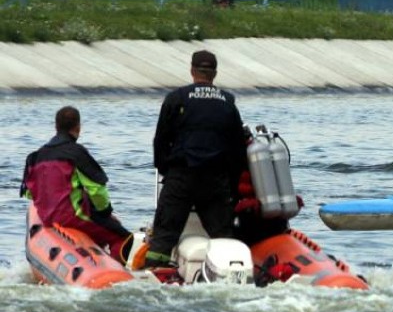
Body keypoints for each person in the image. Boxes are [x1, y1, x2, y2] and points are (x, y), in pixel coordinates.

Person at [145, 50, 247, 268]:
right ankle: (229, 272)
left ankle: (155, 272)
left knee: (164, 236)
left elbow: (161, 141)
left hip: (181, 176)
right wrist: (230, 185)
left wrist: (167, 172)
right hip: (215, 180)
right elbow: (238, 150)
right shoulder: (228, 102)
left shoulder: (176, 98)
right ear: (215, 74)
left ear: (192, 71)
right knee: (223, 237)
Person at [20, 106, 134, 263]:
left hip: (47, 218)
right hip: (72, 217)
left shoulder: (34, 157)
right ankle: (116, 270)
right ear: (78, 128)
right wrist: (105, 213)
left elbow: (29, 193)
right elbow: (97, 189)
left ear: (56, 127)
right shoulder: (76, 153)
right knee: (124, 237)